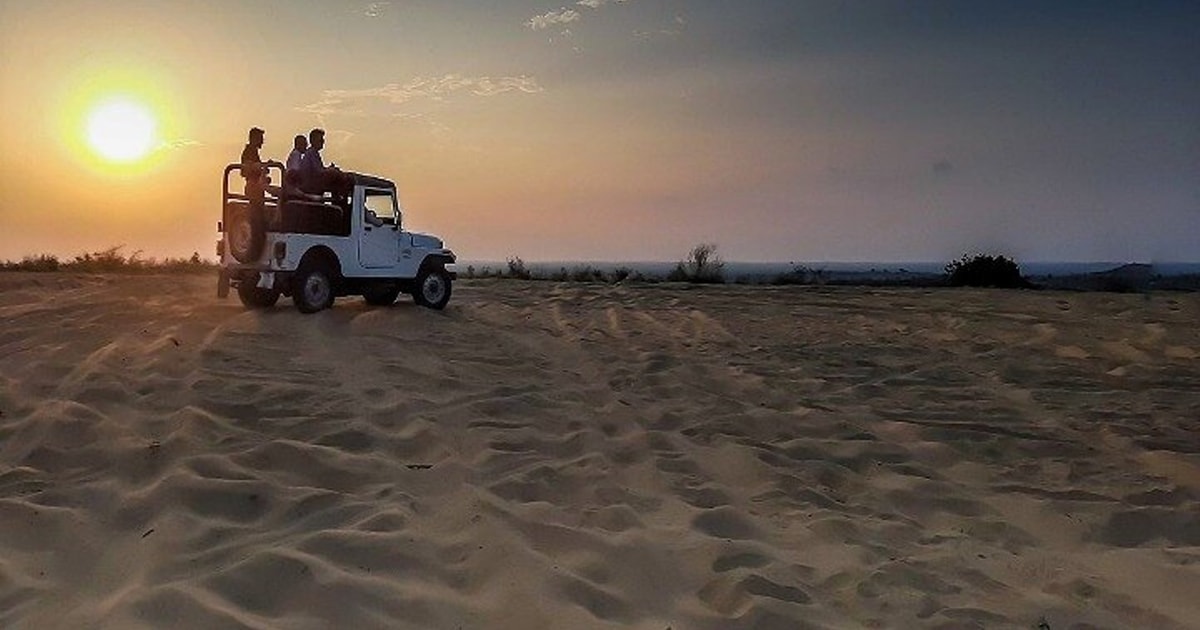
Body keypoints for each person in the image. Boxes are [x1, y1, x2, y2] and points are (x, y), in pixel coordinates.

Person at [298, 128, 352, 206]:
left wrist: (329, 169)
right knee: (341, 177)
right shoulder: (311, 153)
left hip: (313, 183)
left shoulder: (312, 153)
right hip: (312, 186)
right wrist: (331, 170)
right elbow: (319, 172)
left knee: (337, 174)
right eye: (321, 139)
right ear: (314, 140)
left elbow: (319, 170)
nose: (323, 141)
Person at [239, 127, 282, 200]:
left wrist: (265, 167)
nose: (262, 141)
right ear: (254, 139)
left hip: (256, 185)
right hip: (253, 186)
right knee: (256, 208)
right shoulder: (249, 151)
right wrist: (264, 167)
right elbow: (250, 167)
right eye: (260, 138)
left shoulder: (252, 151)